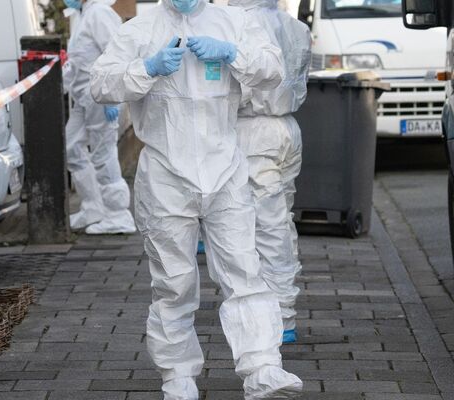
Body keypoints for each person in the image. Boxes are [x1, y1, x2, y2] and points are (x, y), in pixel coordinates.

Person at [90, 0, 303, 398]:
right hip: (165, 174)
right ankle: (178, 377)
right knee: (173, 281)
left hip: (225, 167)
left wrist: (232, 54)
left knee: (244, 270)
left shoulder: (233, 21)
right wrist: (146, 68)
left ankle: (262, 368)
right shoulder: (141, 28)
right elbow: (101, 84)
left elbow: (273, 69)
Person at [229, 0, 311, 344]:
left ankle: (279, 316)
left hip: (253, 133)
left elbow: (240, 87)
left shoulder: (241, 24)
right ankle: (282, 308)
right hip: (287, 129)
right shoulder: (296, 27)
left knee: (265, 228)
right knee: (281, 220)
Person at [62, 0, 136, 235]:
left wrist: (113, 98)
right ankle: (93, 207)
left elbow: (117, 53)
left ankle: (118, 215)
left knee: (103, 154)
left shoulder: (99, 14)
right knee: (71, 146)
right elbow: (78, 62)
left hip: (101, 96)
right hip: (83, 97)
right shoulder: (83, 15)